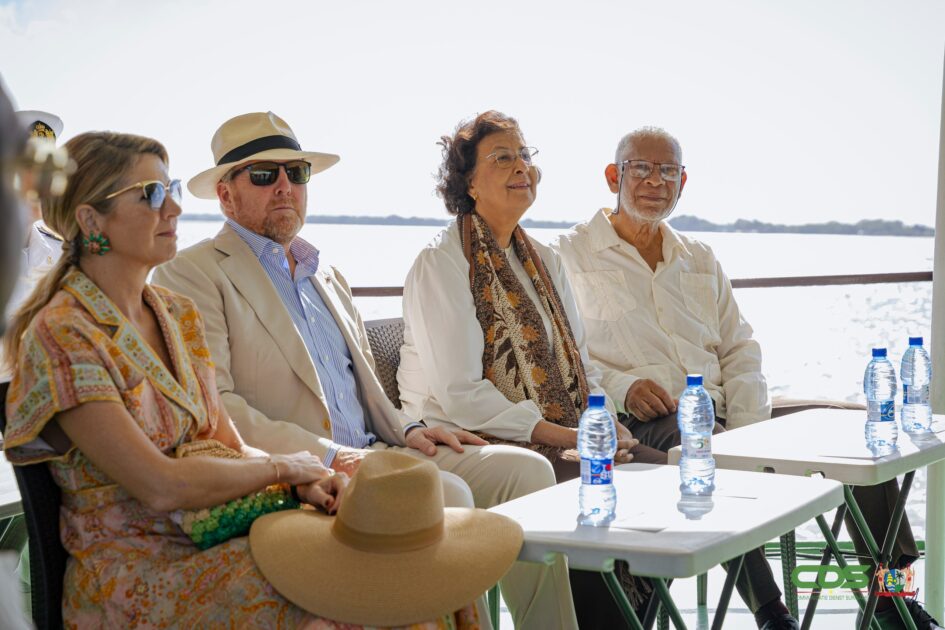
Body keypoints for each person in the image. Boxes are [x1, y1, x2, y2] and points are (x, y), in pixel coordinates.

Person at [1, 131, 485, 628]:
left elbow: (227, 443)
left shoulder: (175, 313)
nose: (174, 209)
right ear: (90, 220)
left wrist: (308, 483)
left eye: (172, 190)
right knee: (364, 600)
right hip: (140, 571)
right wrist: (285, 469)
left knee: (422, 572)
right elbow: (160, 485)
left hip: (221, 532)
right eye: (151, 194)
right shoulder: (63, 334)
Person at [152, 111, 570, 629]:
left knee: (528, 471)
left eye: (296, 173)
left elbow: (364, 392)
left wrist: (411, 428)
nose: (284, 187)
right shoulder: (192, 274)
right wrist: (328, 455)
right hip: (305, 471)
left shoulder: (325, 273)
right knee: (447, 495)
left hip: (379, 450)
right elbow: (218, 407)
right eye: (263, 174)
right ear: (225, 194)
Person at [554, 126, 940, 629]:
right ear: (613, 176)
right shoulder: (567, 253)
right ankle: (771, 613)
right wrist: (623, 387)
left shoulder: (699, 256)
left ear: (682, 183)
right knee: (703, 445)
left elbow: (740, 348)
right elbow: (567, 356)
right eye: (641, 168)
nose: (655, 181)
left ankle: (891, 600)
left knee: (856, 430)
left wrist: (750, 433)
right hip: (644, 421)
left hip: (728, 414)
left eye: (668, 171)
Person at [396, 110, 646, 629]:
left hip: (559, 433)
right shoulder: (442, 262)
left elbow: (582, 363)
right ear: (468, 182)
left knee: (657, 475)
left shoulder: (545, 259)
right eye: (502, 158)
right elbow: (461, 394)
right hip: (467, 438)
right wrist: (570, 436)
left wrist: (604, 421)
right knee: (596, 491)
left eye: (525, 155)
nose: (520, 167)